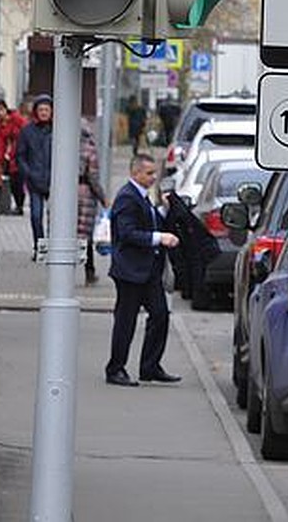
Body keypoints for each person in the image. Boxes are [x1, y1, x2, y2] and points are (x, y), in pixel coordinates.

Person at [105, 154, 181, 387]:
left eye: (154, 172)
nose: (153, 177)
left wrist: (165, 211)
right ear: (135, 173)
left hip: (147, 271)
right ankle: (115, 369)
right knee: (126, 321)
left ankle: (150, 366)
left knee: (160, 314)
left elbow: (151, 221)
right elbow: (127, 233)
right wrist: (160, 238)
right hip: (130, 271)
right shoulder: (127, 198)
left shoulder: (142, 197)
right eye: (149, 173)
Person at [16, 95, 54, 260]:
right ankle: (40, 248)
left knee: (54, 217)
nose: (44, 113)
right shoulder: (27, 131)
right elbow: (20, 155)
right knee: (36, 216)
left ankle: (53, 247)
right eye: (41, 110)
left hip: (54, 182)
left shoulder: (58, 130)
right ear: (36, 112)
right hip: (34, 181)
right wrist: (28, 173)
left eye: (47, 109)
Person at [77, 123, 108, 285]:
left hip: (63, 193)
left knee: (65, 234)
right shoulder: (90, 149)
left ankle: (61, 272)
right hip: (85, 195)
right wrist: (103, 198)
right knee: (85, 235)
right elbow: (93, 178)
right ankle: (89, 271)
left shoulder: (62, 145)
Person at [0, 99, 27, 215]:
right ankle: (8, 204)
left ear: (5, 109)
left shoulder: (16, 119)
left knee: (17, 181)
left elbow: (24, 133)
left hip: (18, 155)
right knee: (9, 182)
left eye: (1, 109)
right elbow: (0, 142)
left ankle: (19, 205)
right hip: (6, 157)